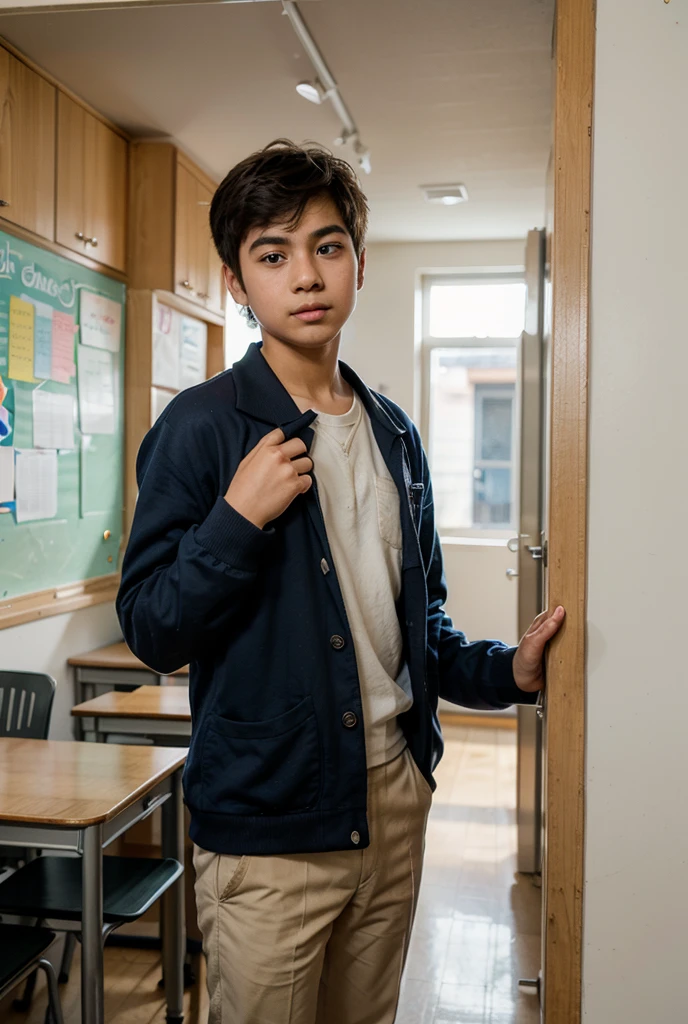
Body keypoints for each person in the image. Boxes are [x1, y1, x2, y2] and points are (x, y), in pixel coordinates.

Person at [117, 139, 564, 1024]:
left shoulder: (393, 432)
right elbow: (153, 629)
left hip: (391, 801)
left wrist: (504, 673)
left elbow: (418, 626)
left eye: (326, 247)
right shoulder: (202, 429)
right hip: (270, 825)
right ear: (238, 284)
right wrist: (236, 522)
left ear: (359, 261)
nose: (307, 276)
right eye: (272, 255)